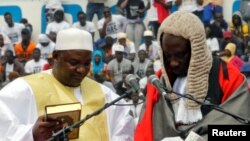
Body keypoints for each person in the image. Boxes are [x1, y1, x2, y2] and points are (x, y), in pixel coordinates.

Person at [0, 28, 135, 140]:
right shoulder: (25, 88)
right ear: (56, 56)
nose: (82, 69)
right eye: (74, 63)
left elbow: (123, 129)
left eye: (86, 63)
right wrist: (31, 134)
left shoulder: (104, 93)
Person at [134, 11, 250, 141]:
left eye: (180, 55)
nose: (173, 63)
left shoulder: (227, 77)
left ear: (196, 49)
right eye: (167, 56)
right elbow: (145, 131)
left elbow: (241, 130)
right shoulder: (159, 83)